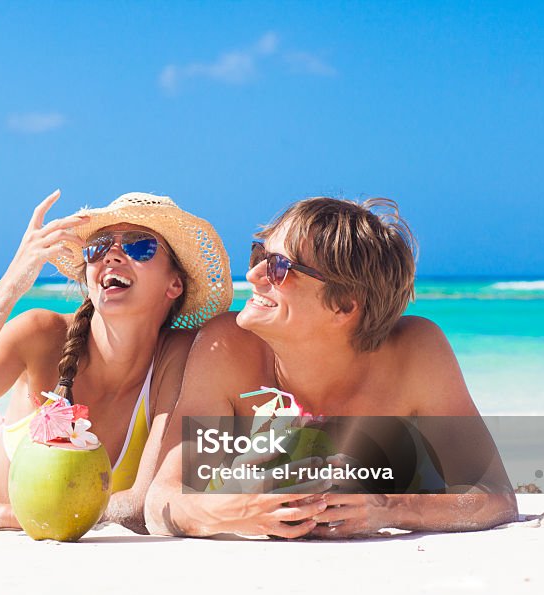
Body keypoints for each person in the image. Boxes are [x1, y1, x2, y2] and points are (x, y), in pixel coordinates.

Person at [145, 197, 518, 538]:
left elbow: (497, 497)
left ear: (343, 305)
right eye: (259, 254)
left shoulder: (415, 354)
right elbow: (159, 503)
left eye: (279, 267)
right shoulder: (225, 346)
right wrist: (230, 510)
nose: (255, 275)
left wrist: (391, 508)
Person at [0, 190, 232, 533]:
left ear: (174, 285)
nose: (113, 255)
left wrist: (2, 515)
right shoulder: (43, 333)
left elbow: (140, 505)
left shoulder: (178, 359)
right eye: (99, 246)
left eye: (140, 246)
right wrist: (12, 283)